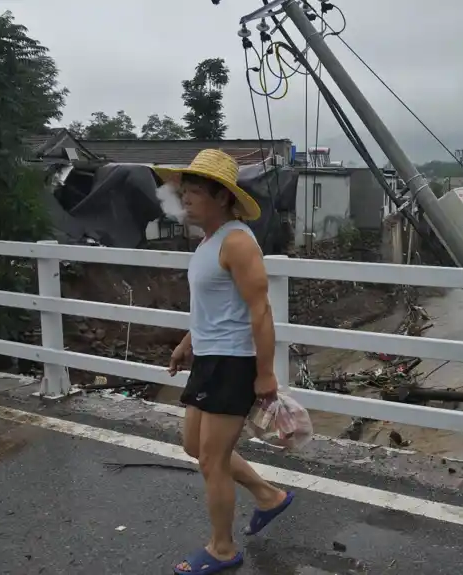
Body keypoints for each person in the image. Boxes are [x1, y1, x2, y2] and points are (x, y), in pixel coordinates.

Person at [156, 149, 294, 575]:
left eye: (194, 192)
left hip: (234, 363)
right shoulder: (208, 242)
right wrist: (187, 342)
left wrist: (266, 373)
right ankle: (269, 496)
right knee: (194, 447)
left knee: (211, 461)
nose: (186, 200)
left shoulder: (236, 241)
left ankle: (222, 548)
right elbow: (213, 308)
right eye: (185, 192)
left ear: (221, 197)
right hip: (210, 358)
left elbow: (260, 310)